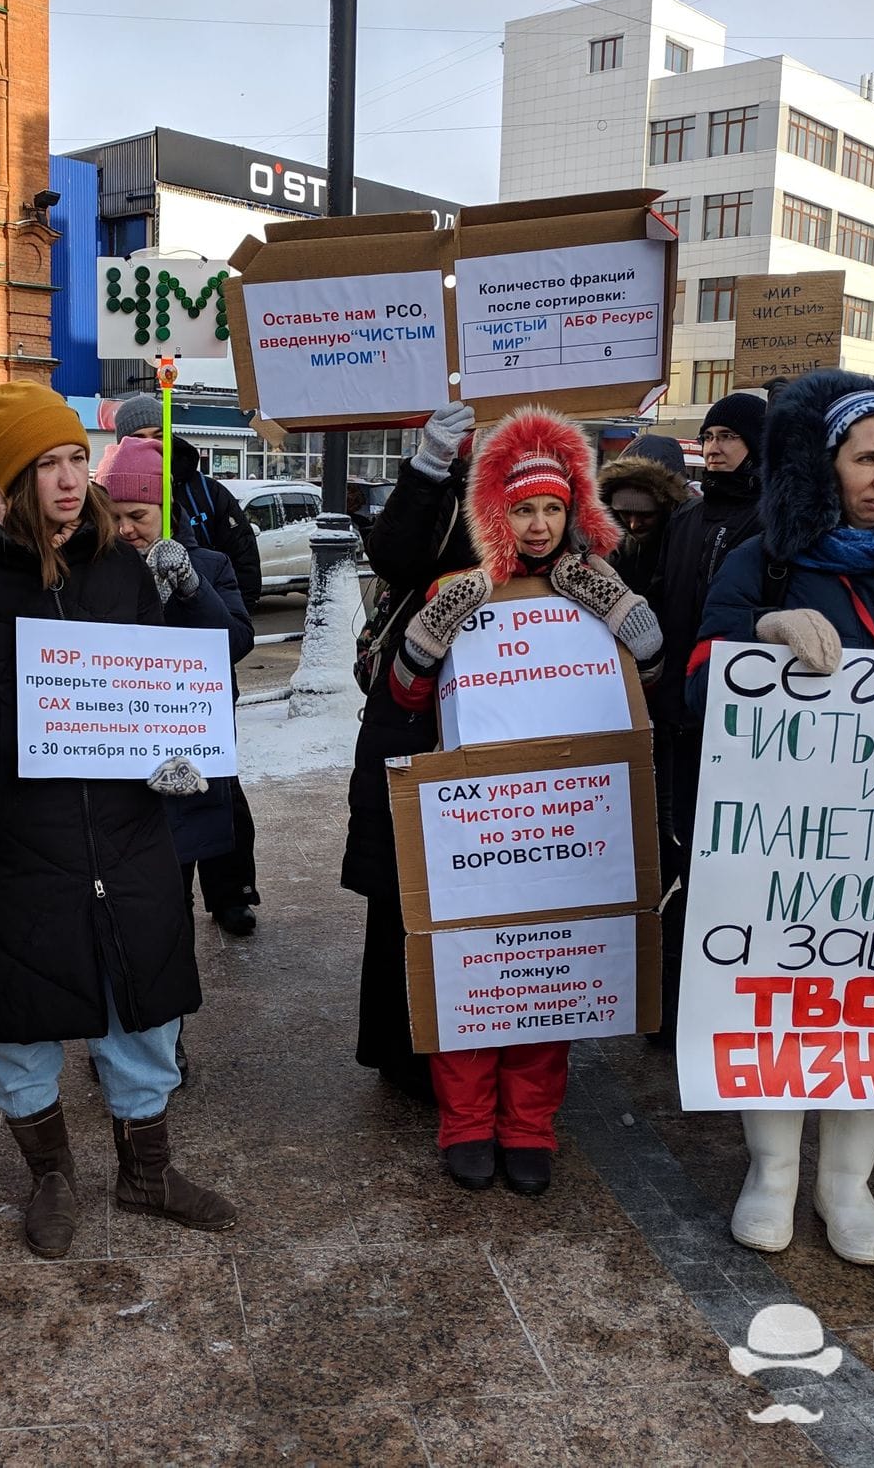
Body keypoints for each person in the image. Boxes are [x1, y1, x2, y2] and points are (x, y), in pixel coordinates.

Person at [0, 381, 235, 1260]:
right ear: (9, 479)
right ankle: (51, 1175)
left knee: (145, 1010)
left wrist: (173, 753)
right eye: (45, 465)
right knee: (18, 1024)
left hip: (126, 839)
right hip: (13, 843)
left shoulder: (119, 568)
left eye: (75, 459)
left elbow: (176, 677)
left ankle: (148, 1170)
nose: (66, 479)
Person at [692, 371, 874, 1266]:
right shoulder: (763, 560)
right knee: (782, 1003)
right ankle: (773, 1173)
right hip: (784, 845)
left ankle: (846, 1185)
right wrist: (765, 635)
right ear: (827, 466)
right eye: (867, 458)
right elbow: (702, 679)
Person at [383, 407, 661, 1196]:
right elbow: (404, 698)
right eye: (522, 509)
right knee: (474, 969)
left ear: (574, 511)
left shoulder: (596, 586)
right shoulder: (457, 587)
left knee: (551, 979)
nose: (538, 525)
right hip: (473, 816)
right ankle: (466, 1124)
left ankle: (529, 1125)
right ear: (494, 512)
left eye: (552, 508)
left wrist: (635, 630)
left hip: (570, 813)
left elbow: (647, 690)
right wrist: (429, 637)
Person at [344, 401, 481, 1101]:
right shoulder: (445, 490)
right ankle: (403, 1049)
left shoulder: (553, 495)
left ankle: (488, 1051)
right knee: (405, 888)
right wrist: (430, 467)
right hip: (413, 713)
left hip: (506, 727)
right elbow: (392, 553)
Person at [112, 404, 263, 935]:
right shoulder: (94, 573)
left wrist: (191, 588)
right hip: (123, 733)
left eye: (140, 516)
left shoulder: (209, 564)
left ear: (165, 510)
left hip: (197, 723)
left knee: (210, 811)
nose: (128, 530)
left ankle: (229, 896)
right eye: (117, 517)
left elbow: (237, 640)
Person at [648, 392, 768, 1048]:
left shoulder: (773, 519)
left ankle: (715, 1006)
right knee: (678, 855)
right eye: (709, 434)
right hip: (680, 722)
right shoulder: (688, 516)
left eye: (729, 435)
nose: (716, 446)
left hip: (743, 732)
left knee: (724, 867)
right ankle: (672, 1005)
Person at [113, 395, 262, 605]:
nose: (150, 445)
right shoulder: (107, 497)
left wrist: (230, 615)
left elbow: (244, 563)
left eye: (158, 436)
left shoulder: (209, 493)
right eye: (139, 438)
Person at [599, 443, 690, 599]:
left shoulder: (685, 546)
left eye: (646, 515)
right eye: (625, 513)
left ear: (667, 509)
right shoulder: (604, 542)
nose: (634, 524)